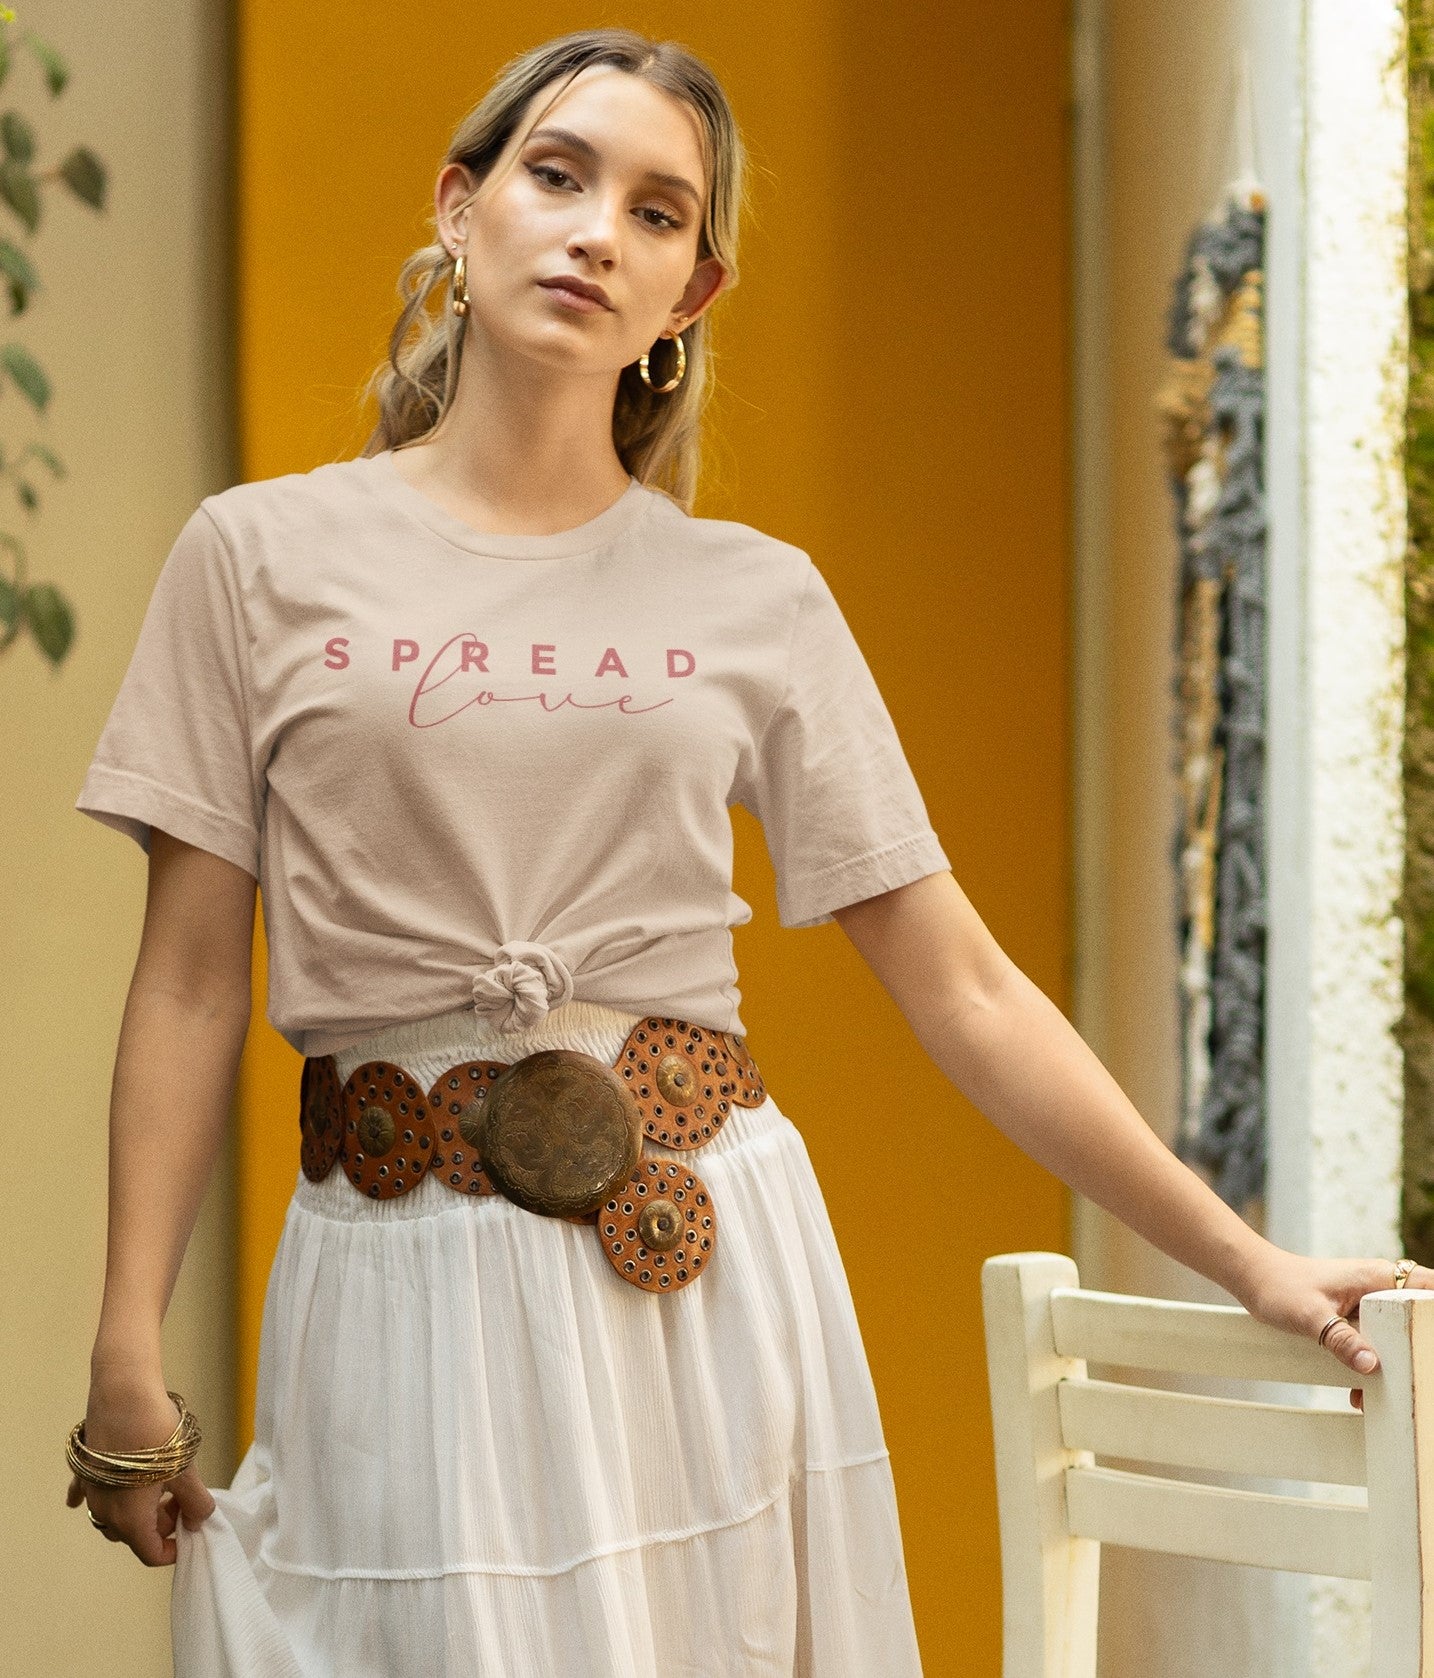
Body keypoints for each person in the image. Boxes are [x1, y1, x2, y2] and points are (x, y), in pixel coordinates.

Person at [62, 25, 1430, 1678]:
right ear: (459, 207)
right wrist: (127, 1331)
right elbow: (195, 977)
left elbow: (967, 986)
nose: (593, 232)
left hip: (694, 1278)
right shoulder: (253, 556)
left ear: (686, 298)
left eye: (655, 213)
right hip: (390, 1278)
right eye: (556, 176)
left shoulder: (754, 597)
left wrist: (1247, 1262)